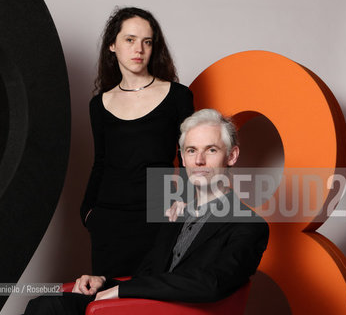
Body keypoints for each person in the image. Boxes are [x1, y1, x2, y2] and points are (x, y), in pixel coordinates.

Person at [24, 109, 269, 314]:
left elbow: (212, 283)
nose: (199, 161)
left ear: (232, 155)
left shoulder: (248, 224)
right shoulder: (177, 214)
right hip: (140, 306)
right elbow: (148, 276)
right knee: (46, 305)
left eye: (211, 150)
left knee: (51, 307)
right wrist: (105, 283)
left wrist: (122, 290)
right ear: (182, 159)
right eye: (191, 151)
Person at [80, 6, 194, 278]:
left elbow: (189, 157)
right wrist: (87, 212)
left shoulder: (178, 96)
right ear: (112, 44)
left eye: (147, 41)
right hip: (109, 218)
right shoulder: (99, 104)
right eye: (129, 40)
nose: (138, 49)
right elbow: (101, 162)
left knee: (154, 299)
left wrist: (184, 202)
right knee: (109, 301)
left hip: (159, 214)